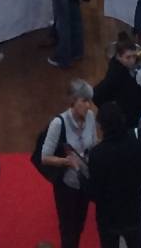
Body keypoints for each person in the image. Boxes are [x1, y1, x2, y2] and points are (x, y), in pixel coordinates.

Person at [87, 103, 141, 248]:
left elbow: (94, 194)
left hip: (108, 220)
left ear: (101, 126)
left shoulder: (96, 154)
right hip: (133, 217)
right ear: (122, 120)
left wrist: (81, 176)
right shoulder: (138, 147)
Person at [38, 79, 97, 248]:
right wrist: (66, 161)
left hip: (85, 181)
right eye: (84, 101)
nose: (88, 106)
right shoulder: (58, 123)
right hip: (66, 185)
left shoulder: (91, 117)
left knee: (79, 227)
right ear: (73, 101)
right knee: (68, 230)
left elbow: (92, 143)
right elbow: (45, 157)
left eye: (90, 101)